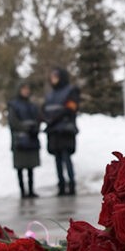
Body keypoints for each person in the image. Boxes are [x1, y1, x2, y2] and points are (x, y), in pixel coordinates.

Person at [42, 67, 80, 196]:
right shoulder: (50, 95)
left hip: (65, 130)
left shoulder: (71, 91)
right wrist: (46, 119)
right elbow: (44, 109)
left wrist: (55, 119)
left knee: (66, 157)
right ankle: (61, 185)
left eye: (56, 77)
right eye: (52, 77)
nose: (53, 80)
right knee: (57, 159)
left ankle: (72, 184)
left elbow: (71, 108)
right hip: (53, 131)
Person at [8, 81, 42, 199]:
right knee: (20, 167)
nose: (26, 91)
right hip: (20, 141)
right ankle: (23, 191)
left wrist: (35, 128)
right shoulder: (13, 105)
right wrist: (26, 128)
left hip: (31, 140)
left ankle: (31, 190)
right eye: (24, 89)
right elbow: (13, 122)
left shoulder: (33, 105)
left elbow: (38, 118)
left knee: (30, 166)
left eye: (27, 89)